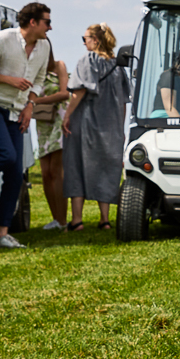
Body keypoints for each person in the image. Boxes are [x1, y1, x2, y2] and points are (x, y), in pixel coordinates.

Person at [0, 2, 53, 249]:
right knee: (6, 156)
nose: (50, 27)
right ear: (33, 23)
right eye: (47, 22)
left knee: (15, 174)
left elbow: (38, 81)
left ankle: (1, 235)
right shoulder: (2, 38)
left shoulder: (44, 46)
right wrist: (9, 80)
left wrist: (30, 106)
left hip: (17, 112)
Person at [63, 23, 130, 230]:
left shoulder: (87, 60)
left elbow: (79, 92)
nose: (84, 43)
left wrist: (67, 115)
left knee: (76, 166)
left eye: (85, 39)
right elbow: (124, 100)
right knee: (106, 169)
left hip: (86, 122)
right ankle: (105, 219)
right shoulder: (118, 66)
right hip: (111, 126)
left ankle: (77, 220)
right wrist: (120, 127)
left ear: (96, 40)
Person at [29, 52, 69, 231]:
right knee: (45, 173)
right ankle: (56, 218)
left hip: (59, 120)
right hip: (43, 123)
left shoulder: (59, 65)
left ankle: (63, 220)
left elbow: (64, 93)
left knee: (56, 170)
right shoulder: (33, 71)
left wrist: (38, 100)